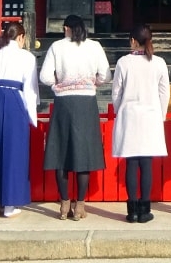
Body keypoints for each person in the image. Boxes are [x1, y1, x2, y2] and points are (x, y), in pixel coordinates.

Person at [40, 13, 110, 220]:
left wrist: (57, 84)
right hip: (86, 102)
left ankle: (63, 204)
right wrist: (92, 83)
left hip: (64, 103)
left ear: (66, 29)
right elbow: (105, 75)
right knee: (83, 154)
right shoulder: (95, 46)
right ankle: (79, 205)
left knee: (61, 152)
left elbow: (44, 76)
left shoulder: (57, 47)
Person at [0, 21, 39, 218]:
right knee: (14, 151)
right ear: (20, 37)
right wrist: (31, 116)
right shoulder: (26, 57)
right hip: (13, 99)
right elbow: (30, 88)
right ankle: (10, 205)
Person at [111, 24, 170, 223]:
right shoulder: (159, 62)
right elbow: (165, 93)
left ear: (133, 41)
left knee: (131, 163)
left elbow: (116, 93)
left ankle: (132, 210)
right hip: (151, 116)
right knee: (146, 164)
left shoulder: (123, 62)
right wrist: (160, 115)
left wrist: (121, 110)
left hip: (130, 116)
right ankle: (145, 210)